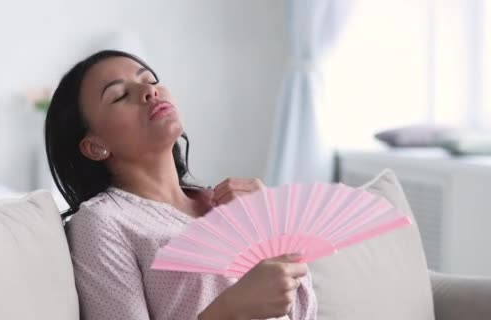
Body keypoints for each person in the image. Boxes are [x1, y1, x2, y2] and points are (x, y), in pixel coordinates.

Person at [45, 50, 317, 320]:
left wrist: (271, 223)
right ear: (95, 146)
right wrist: (228, 311)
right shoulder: (101, 222)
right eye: (120, 96)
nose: (149, 92)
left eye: (150, 81)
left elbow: (305, 312)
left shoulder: (225, 202)